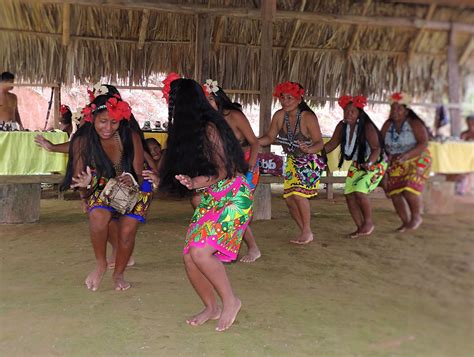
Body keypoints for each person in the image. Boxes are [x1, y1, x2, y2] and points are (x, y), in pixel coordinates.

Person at [159, 77, 252, 332]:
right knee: (190, 257)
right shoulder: (192, 130)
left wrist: (196, 181)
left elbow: (224, 171)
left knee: (201, 252)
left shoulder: (210, 127)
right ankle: (211, 307)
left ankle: (231, 301)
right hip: (213, 196)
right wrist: (188, 180)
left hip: (234, 196)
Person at [62, 90, 152, 291]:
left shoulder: (131, 136)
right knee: (98, 217)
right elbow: (79, 180)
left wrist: (129, 178)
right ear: (92, 118)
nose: (108, 128)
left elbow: (138, 173)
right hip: (100, 185)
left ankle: (118, 274)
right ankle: (101, 263)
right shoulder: (82, 141)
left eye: (114, 122)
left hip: (135, 186)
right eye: (103, 121)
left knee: (127, 231)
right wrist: (86, 185)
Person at [202, 79, 261, 263]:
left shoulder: (234, 116)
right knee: (223, 208)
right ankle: (222, 246)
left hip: (245, 168)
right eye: (204, 100)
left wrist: (249, 168)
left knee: (237, 208)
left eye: (211, 99)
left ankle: (252, 248)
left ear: (219, 98)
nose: (208, 103)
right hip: (224, 170)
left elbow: (255, 142)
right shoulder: (208, 121)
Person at [258, 81, 325, 245]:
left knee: (298, 194)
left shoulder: (308, 117)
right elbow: (270, 137)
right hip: (292, 161)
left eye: (290, 98)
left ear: (299, 99)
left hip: (311, 161)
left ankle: (307, 230)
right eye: (283, 98)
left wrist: (308, 150)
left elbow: (319, 143)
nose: (285, 101)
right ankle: (305, 231)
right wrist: (253, 141)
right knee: (289, 199)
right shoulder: (279, 116)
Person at [325, 95, 387, 238]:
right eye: (346, 111)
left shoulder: (367, 127)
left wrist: (369, 163)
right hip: (357, 164)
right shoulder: (342, 126)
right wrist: (316, 152)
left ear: (360, 113)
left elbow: (376, 148)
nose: (348, 114)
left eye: (352, 111)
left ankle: (369, 223)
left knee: (360, 191)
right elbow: (332, 144)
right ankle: (360, 228)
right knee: (349, 194)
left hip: (375, 163)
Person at [381, 92, 431, 232]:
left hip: (417, 158)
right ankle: (405, 222)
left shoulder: (414, 123)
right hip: (397, 160)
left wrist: (407, 155)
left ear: (406, 110)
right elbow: (381, 144)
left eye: (399, 109)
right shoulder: (387, 125)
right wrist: (388, 155)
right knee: (395, 192)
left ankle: (416, 217)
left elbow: (423, 144)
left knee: (409, 188)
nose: (395, 111)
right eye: (393, 108)